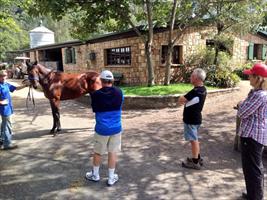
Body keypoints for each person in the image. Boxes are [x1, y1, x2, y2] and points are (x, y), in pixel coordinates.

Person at [85, 70, 124, 186]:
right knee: (113, 152)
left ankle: (95, 175)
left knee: (98, 152)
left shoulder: (96, 95)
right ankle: (111, 178)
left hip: (102, 129)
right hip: (116, 129)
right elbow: (120, 104)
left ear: (101, 81)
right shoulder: (120, 92)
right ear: (112, 80)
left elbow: (95, 109)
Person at [237, 63, 267, 200]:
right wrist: (243, 104)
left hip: (252, 137)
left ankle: (256, 197)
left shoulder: (259, 95)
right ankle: (252, 194)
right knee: (250, 168)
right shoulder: (256, 93)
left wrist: (240, 105)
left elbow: (242, 112)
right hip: (253, 135)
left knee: (253, 169)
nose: (248, 77)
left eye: (251, 75)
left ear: (258, 78)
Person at [178, 68, 207, 170]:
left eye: (192, 76)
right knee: (195, 139)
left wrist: (183, 99)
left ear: (196, 78)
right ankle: (197, 158)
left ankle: (195, 162)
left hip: (191, 120)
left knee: (193, 140)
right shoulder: (203, 89)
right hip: (196, 119)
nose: (190, 77)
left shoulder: (194, 91)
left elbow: (181, 100)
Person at [0, 70, 29, 150]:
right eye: (1, 76)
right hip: (4, 109)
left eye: (5, 76)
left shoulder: (6, 84)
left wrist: (25, 85)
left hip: (8, 107)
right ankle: (7, 144)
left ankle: (1, 141)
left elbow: (15, 88)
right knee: (7, 126)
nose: (3, 77)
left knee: (4, 125)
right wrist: (1, 102)